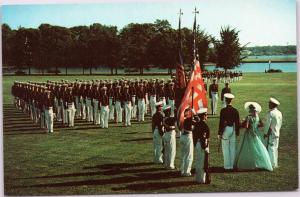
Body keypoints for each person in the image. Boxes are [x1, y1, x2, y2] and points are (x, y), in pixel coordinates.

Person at [234, 102, 273, 171]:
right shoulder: (258, 117)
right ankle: (259, 163)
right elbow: (261, 125)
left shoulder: (249, 117)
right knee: (258, 148)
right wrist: (255, 126)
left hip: (248, 134)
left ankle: (248, 164)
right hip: (256, 134)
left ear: (250, 109)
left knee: (247, 148)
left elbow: (246, 126)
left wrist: (242, 122)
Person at [218, 93, 240, 171]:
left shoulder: (223, 110)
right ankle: (232, 165)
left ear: (226, 100)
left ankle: (227, 166)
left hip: (226, 129)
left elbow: (221, 122)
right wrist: (237, 132)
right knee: (232, 148)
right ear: (231, 101)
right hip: (233, 129)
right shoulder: (235, 110)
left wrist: (219, 133)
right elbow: (237, 123)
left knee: (225, 148)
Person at [263, 97, 282, 168]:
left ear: (272, 105)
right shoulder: (279, 113)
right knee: (275, 148)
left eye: (269, 103)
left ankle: (272, 164)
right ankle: (275, 163)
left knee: (271, 148)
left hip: (271, 133)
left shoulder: (270, 113)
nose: (268, 105)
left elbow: (268, 125)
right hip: (277, 132)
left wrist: (265, 133)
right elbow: (280, 123)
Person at [193, 108, 210, 184]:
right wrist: (205, 147)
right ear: (203, 116)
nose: (207, 116)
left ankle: (198, 178)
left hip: (197, 144)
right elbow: (204, 137)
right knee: (203, 162)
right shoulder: (205, 125)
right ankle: (202, 179)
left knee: (198, 161)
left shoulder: (196, 124)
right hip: (203, 144)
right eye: (206, 115)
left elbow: (194, 136)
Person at [180, 108, 196, 176]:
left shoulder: (181, 119)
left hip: (182, 136)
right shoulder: (189, 119)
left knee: (183, 155)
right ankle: (187, 172)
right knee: (189, 155)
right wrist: (194, 113)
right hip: (187, 137)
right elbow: (198, 121)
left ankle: (182, 170)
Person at [162, 105, 176, 169]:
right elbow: (175, 119)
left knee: (167, 150)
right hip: (170, 135)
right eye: (170, 111)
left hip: (166, 134)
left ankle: (166, 164)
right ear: (168, 112)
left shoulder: (164, 118)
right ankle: (170, 165)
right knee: (171, 150)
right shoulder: (169, 119)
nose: (170, 112)